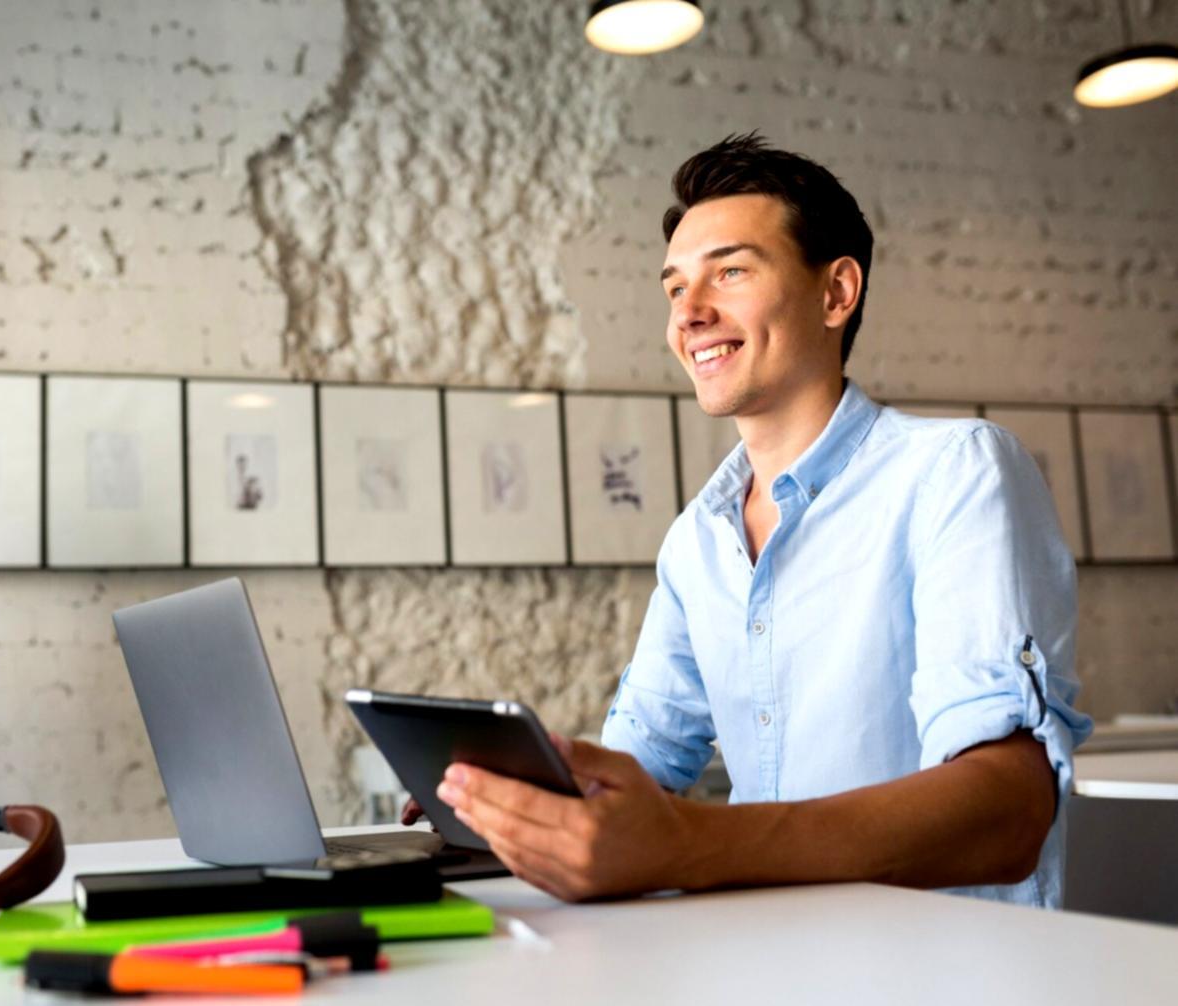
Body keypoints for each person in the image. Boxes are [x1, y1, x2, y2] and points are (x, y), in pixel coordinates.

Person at [427, 133, 1092, 908]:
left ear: (836, 293)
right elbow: (638, 766)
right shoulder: (696, 539)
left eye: (730, 272)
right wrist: (508, 805)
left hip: (936, 960)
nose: (690, 313)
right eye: (674, 288)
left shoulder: (954, 471)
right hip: (756, 957)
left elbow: (1006, 814)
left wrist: (688, 843)